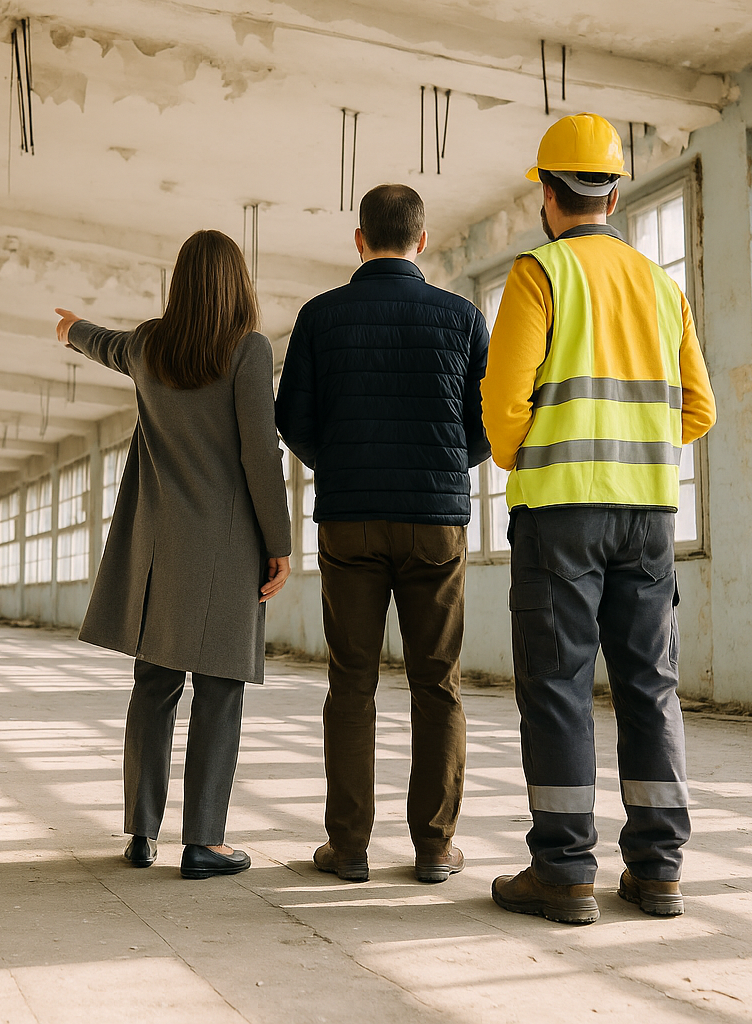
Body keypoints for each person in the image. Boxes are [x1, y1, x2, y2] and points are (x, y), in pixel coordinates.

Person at [481, 113, 716, 924]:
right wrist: (634, 444)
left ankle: (564, 871)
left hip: (559, 516)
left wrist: (530, 450)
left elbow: (503, 408)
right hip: (647, 515)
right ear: (614, 192)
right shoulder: (662, 285)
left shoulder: (539, 274)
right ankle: (657, 871)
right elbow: (700, 409)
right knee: (651, 686)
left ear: (548, 192)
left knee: (558, 688)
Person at [54, 229, 292, 881]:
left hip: (158, 549)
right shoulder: (248, 351)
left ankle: (141, 831)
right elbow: (260, 454)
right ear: (237, 283)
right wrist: (281, 544)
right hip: (226, 546)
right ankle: (204, 842)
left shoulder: (151, 345)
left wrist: (72, 328)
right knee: (219, 690)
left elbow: (105, 345)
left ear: (181, 284)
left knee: (153, 687)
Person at [276, 184, 490, 884]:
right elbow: (487, 422)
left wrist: (338, 463)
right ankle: (434, 847)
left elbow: (291, 418)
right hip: (435, 523)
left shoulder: (320, 316)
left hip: (350, 519)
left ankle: (349, 848)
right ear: (421, 242)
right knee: (438, 685)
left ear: (360, 239)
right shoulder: (460, 316)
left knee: (352, 685)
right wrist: (441, 466)